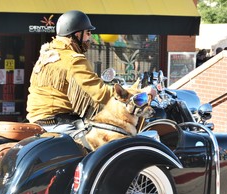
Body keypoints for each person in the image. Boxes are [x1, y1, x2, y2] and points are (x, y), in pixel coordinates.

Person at [26, 10, 156, 133]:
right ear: (77, 34)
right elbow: (100, 93)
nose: (90, 37)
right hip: (57, 123)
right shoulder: (73, 59)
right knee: (106, 142)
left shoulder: (47, 55)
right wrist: (140, 94)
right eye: (88, 33)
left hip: (37, 120)